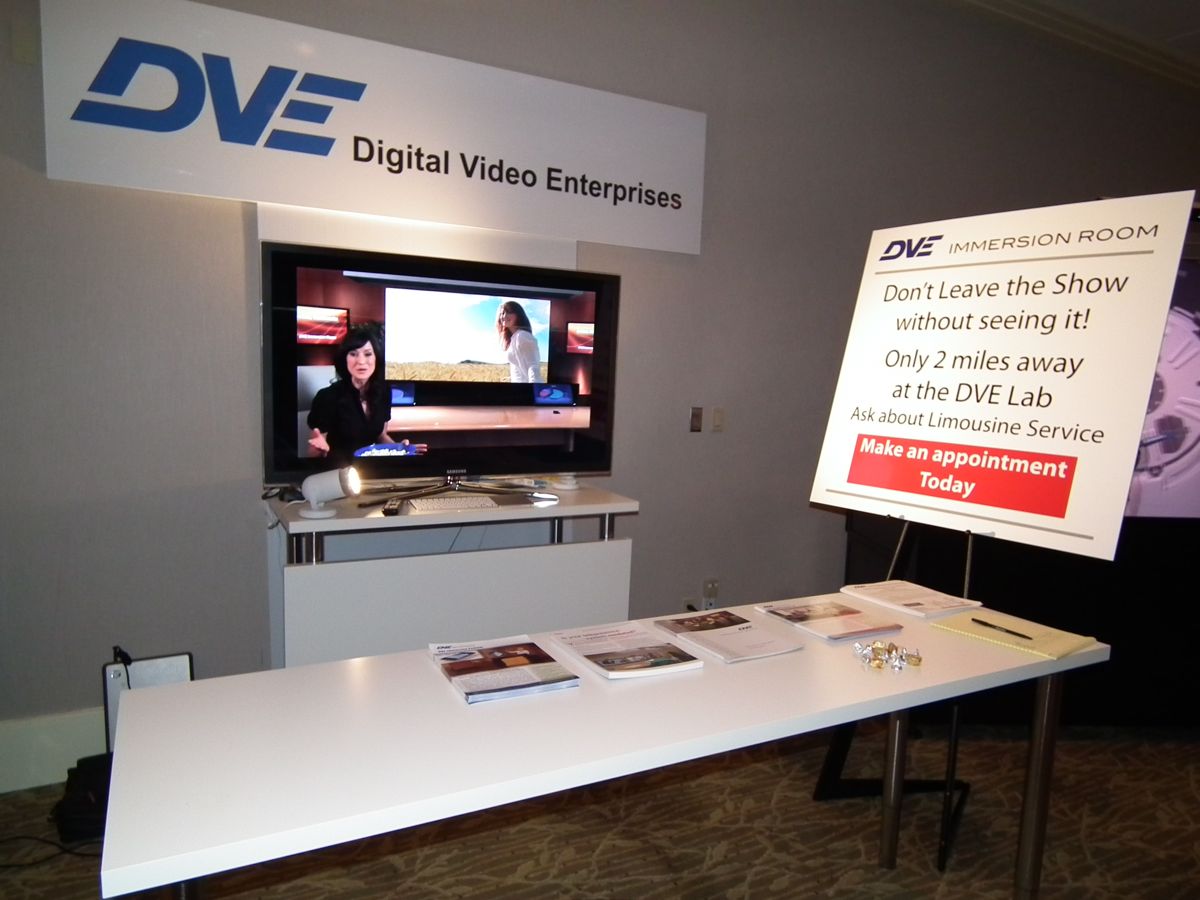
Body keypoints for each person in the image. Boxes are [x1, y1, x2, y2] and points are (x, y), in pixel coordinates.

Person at [307, 325, 411, 466]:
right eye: (353, 354)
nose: (361, 361)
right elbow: (312, 453)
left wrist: (399, 448)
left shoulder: (383, 392)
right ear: (345, 359)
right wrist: (319, 450)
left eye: (367, 354)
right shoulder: (327, 397)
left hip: (373, 468)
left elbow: (381, 436)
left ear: (376, 358)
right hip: (340, 469)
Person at [496, 300, 542, 383]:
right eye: (502, 313)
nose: (504, 316)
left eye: (509, 312)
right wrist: (511, 378)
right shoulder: (514, 338)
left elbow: (533, 366)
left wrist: (533, 388)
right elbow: (520, 368)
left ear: (518, 315)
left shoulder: (522, 335)